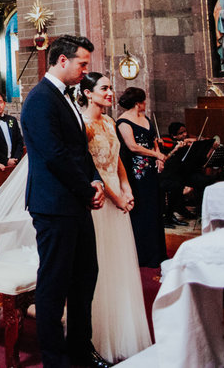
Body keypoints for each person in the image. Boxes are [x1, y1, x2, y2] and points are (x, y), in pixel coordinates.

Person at [20, 34, 108, 368]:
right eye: (82, 64)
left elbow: (78, 149)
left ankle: (80, 351)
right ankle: (56, 361)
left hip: (74, 202)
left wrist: (95, 179)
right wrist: (87, 190)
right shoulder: (40, 100)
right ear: (62, 61)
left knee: (85, 276)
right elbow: (54, 156)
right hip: (54, 206)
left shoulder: (66, 97)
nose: (86, 71)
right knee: (54, 285)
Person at [78, 72, 152, 363]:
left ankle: (125, 327)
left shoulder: (109, 122)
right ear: (87, 93)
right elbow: (91, 168)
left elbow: (117, 159)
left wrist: (127, 187)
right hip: (99, 201)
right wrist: (116, 196)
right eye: (104, 88)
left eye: (111, 87)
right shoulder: (83, 126)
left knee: (121, 264)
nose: (111, 93)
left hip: (118, 197)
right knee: (100, 265)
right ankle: (99, 334)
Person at [116, 86, 168, 268]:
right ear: (138, 103)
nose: (145, 104)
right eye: (144, 101)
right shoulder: (123, 122)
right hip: (136, 172)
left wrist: (158, 155)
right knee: (142, 210)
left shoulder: (145, 118)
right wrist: (156, 156)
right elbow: (132, 147)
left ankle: (158, 253)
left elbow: (153, 140)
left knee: (154, 208)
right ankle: (142, 254)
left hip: (151, 171)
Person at [0, 90, 24, 165]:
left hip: (14, 162)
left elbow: (19, 141)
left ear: (4, 103)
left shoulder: (12, 120)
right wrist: (6, 160)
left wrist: (16, 158)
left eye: (0, 102)